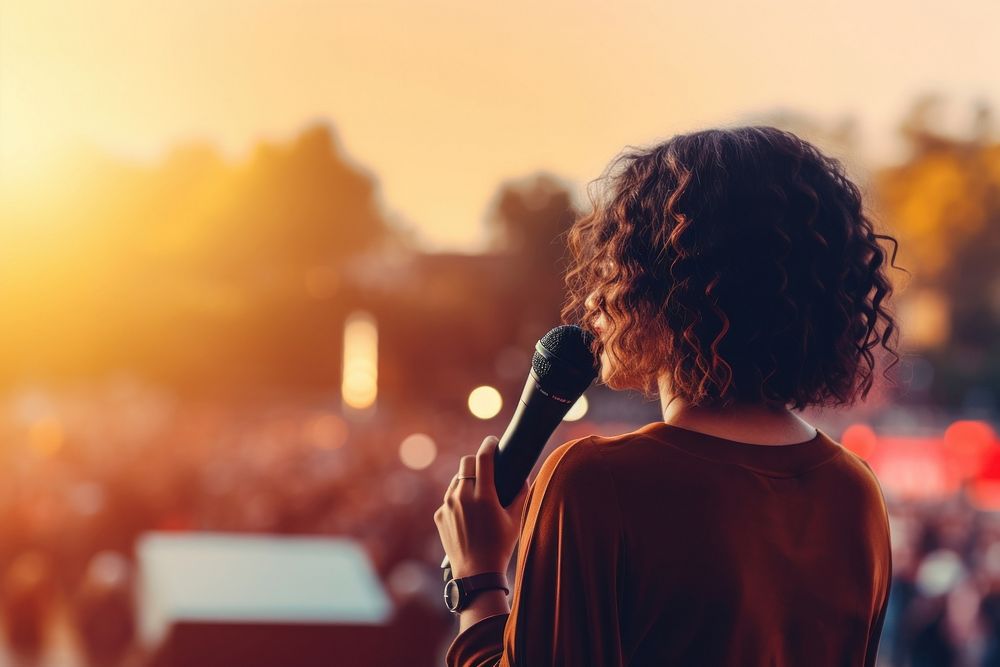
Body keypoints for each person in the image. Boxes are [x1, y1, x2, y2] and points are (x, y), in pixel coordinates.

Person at [434, 126, 901, 666]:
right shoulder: (855, 493)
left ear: (656, 281)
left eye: (613, 258)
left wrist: (478, 580)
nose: (593, 290)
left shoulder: (599, 481)